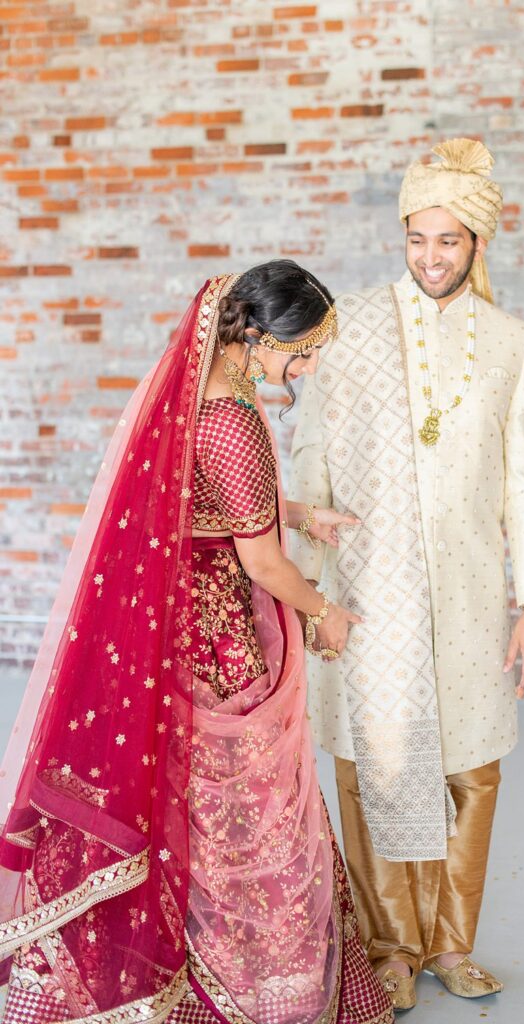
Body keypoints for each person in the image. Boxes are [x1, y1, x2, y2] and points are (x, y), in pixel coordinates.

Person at [0, 262, 394, 1024]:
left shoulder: (201, 393)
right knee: (243, 811)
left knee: (183, 802)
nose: (308, 369)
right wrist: (324, 613)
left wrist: (301, 513)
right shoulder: (234, 415)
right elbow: (262, 561)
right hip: (217, 637)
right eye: (305, 351)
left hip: (176, 621)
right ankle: (250, 989)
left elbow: (205, 493)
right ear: (261, 337)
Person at [289, 139, 524, 1012]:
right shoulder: (353, 323)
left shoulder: (510, 343)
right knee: (373, 764)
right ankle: (389, 947)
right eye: (416, 239)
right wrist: (310, 584)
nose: (431, 257)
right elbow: (312, 447)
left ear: (477, 243)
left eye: (448, 241)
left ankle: (451, 945)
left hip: (471, 596)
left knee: (471, 771)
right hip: (367, 588)